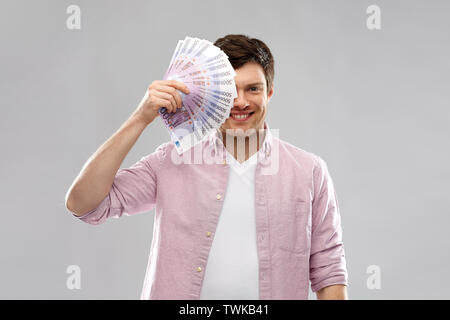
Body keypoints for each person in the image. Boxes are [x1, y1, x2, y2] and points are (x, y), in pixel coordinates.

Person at [65, 34, 349, 300]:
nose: (240, 101)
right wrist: (141, 117)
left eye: (253, 89)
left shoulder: (309, 171)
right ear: (213, 94)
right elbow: (84, 204)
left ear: (269, 93)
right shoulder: (172, 160)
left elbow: (329, 268)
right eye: (230, 90)